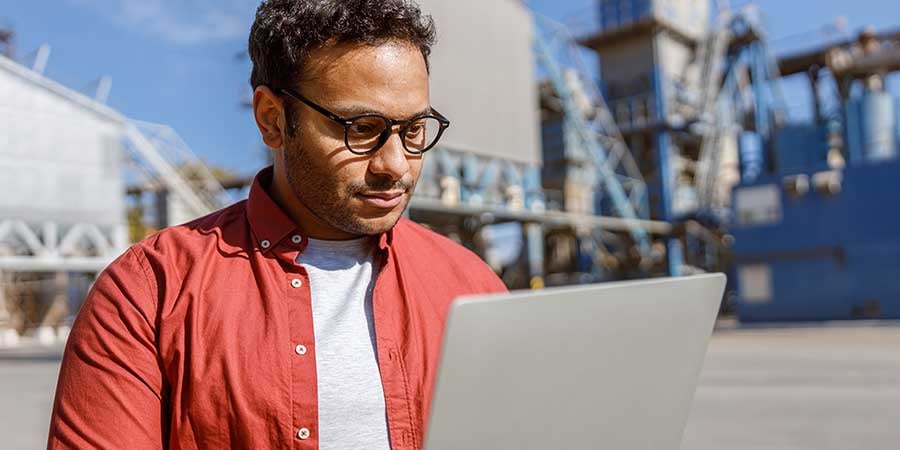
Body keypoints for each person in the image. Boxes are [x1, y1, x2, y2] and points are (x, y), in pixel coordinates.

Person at [47, 1, 507, 448]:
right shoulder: (148, 293)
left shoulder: (472, 286)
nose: (396, 165)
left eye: (413, 130)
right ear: (272, 119)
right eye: (361, 128)